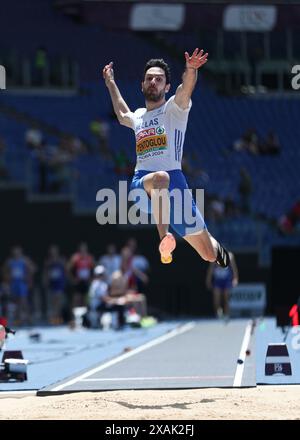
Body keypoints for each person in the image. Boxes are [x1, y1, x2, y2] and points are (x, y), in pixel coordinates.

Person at [103, 48, 230, 267]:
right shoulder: (139, 116)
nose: (153, 82)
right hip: (143, 184)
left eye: (159, 79)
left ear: (167, 87)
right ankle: (165, 240)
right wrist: (110, 84)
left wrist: (191, 70)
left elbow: (186, 88)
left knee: (209, 254)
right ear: (142, 85)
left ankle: (221, 253)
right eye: (149, 78)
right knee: (160, 178)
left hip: (177, 187)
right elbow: (122, 113)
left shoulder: (175, 109)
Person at [206, 252, 239, 319]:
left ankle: (226, 314)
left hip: (226, 280)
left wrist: (235, 279)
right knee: (216, 298)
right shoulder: (214, 256)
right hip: (218, 281)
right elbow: (211, 269)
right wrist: (208, 280)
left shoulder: (230, 256)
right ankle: (219, 313)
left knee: (226, 297)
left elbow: (234, 269)